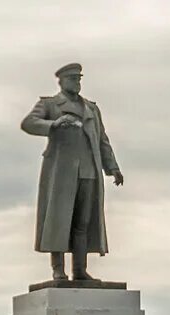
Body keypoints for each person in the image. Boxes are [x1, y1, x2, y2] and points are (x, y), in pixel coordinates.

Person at [21, 63, 123, 281]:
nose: (76, 83)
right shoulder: (50, 104)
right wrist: (54, 124)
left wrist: (112, 166)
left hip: (88, 171)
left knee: (82, 223)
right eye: (72, 79)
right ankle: (58, 269)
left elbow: (102, 139)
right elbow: (29, 123)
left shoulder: (91, 109)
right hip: (62, 173)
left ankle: (79, 269)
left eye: (78, 79)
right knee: (59, 220)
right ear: (61, 81)